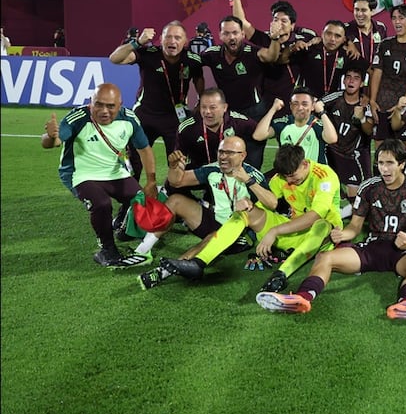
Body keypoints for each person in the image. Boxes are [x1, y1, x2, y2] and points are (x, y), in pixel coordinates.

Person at [254, 140, 406, 320]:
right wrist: (343, 234)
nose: (384, 169)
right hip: (372, 247)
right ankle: (302, 298)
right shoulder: (369, 187)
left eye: (390, 163)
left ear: (402, 164)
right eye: (380, 163)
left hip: (402, 252)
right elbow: (355, 226)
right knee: (325, 257)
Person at [160, 144, 343, 293]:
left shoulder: (325, 177)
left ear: (304, 164)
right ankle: (198, 263)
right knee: (246, 213)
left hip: (321, 234)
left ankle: (281, 275)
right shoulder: (283, 176)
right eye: (285, 177)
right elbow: (267, 203)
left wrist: (274, 231)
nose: (289, 182)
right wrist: (249, 205)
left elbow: (313, 217)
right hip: (291, 229)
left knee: (321, 225)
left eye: (292, 176)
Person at [41, 83, 157, 267]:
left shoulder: (129, 119)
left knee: (139, 197)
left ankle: (122, 225)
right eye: (98, 105)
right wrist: (50, 136)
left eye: (110, 106)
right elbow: (53, 142)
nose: (104, 111)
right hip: (80, 174)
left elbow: (144, 149)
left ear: (120, 105)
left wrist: (151, 181)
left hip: (114, 172)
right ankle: (107, 249)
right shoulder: (78, 117)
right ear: (90, 103)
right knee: (101, 204)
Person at [137, 135, 270, 289]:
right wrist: (174, 167)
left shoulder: (253, 176)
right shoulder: (213, 169)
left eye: (229, 153)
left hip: (239, 232)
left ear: (243, 155)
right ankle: (142, 251)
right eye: (221, 152)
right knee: (175, 200)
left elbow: (271, 205)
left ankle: (162, 272)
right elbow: (177, 181)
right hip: (215, 219)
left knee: (211, 237)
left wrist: (249, 183)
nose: (223, 157)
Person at [108, 21, 205, 181]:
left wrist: (201, 101)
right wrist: (137, 42)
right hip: (145, 115)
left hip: (175, 118)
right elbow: (114, 59)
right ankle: (130, 198)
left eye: (177, 37)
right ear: (161, 39)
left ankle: (175, 194)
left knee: (178, 160)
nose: (172, 41)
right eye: (168, 37)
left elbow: (199, 79)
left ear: (185, 41)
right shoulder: (148, 53)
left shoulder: (192, 60)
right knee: (135, 160)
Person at [369, 3, 406, 142]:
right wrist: (372, 100)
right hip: (383, 102)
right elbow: (377, 72)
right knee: (380, 146)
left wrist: (403, 103)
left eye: (401, 18)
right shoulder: (384, 44)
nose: (397, 22)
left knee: (405, 146)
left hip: (405, 104)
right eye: (394, 18)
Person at [320, 64, 374, 207]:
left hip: (351, 156)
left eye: (356, 78)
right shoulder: (334, 98)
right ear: (344, 81)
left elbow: (369, 131)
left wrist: (361, 118)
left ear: (362, 83)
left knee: (357, 199)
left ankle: (344, 207)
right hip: (330, 153)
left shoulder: (365, 105)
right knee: (326, 189)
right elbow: (316, 106)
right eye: (348, 77)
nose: (351, 81)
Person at [253, 88, 339, 164]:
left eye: (304, 104)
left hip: (314, 175)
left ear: (313, 106)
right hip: (290, 174)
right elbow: (258, 135)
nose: (300, 108)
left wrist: (322, 112)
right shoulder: (283, 123)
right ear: (290, 106)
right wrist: (273, 109)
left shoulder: (318, 125)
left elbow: (332, 139)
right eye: (295, 104)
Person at [345, 0, 389, 64]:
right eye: (357, 9)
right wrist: (348, 42)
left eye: (363, 10)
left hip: (374, 73)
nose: (359, 14)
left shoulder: (381, 28)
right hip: (353, 74)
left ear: (372, 11)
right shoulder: (345, 29)